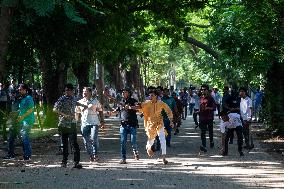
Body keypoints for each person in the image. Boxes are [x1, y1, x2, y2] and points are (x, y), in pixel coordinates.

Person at [136, 89, 173, 164]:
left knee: (162, 140)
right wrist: (131, 107)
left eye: (152, 95)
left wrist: (171, 121)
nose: (150, 96)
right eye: (149, 95)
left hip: (159, 124)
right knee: (151, 140)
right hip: (150, 125)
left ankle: (164, 158)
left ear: (156, 96)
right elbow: (139, 108)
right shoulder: (146, 103)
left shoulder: (161, 103)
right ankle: (148, 148)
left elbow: (168, 111)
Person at [53, 83, 82, 169]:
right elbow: (54, 109)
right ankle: (64, 161)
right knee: (64, 144)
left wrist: (85, 106)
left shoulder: (74, 99)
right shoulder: (61, 99)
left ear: (72, 91)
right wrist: (64, 115)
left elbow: (77, 103)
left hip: (72, 124)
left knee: (74, 143)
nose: (67, 92)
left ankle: (76, 162)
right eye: (66, 90)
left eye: (69, 90)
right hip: (63, 124)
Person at [4, 83, 35, 160]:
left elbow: (31, 109)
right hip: (19, 121)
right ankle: (11, 154)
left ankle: (27, 155)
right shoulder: (20, 98)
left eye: (20, 89)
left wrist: (22, 117)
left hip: (27, 121)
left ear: (25, 90)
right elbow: (18, 109)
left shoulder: (29, 98)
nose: (19, 91)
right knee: (12, 136)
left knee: (24, 136)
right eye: (19, 90)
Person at [75, 87, 105, 162]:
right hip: (84, 123)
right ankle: (91, 155)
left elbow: (100, 110)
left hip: (94, 123)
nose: (84, 93)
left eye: (86, 92)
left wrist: (102, 121)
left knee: (94, 138)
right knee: (86, 141)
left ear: (90, 93)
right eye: (83, 92)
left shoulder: (95, 101)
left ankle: (95, 154)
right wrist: (75, 122)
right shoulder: (79, 102)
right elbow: (77, 113)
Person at [116, 89, 139, 164]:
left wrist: (130, 107)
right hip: (123, 125)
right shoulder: (120, 102)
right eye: (122, 92)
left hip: (133, 124)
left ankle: (135, 151)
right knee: (123, 142)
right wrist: (110, 113)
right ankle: (123, 158)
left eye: (125, 92)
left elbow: (139, 107)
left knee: (133, 141)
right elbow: (117, 111)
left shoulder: (133, 100)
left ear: (129, 93)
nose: (123, 93)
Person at [199, 84, 216, 152]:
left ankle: (211, 141)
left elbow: (214, 108)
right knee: (203, 132)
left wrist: (208, 108)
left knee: (210, 131)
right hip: (202, 117)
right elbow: (201, 107)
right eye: (202, 89)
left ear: (207, 90)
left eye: (204, 89)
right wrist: (198, 111)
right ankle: (204, 145)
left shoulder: (211, 98)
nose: (203, 91)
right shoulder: (201, 98)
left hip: (209, 117)